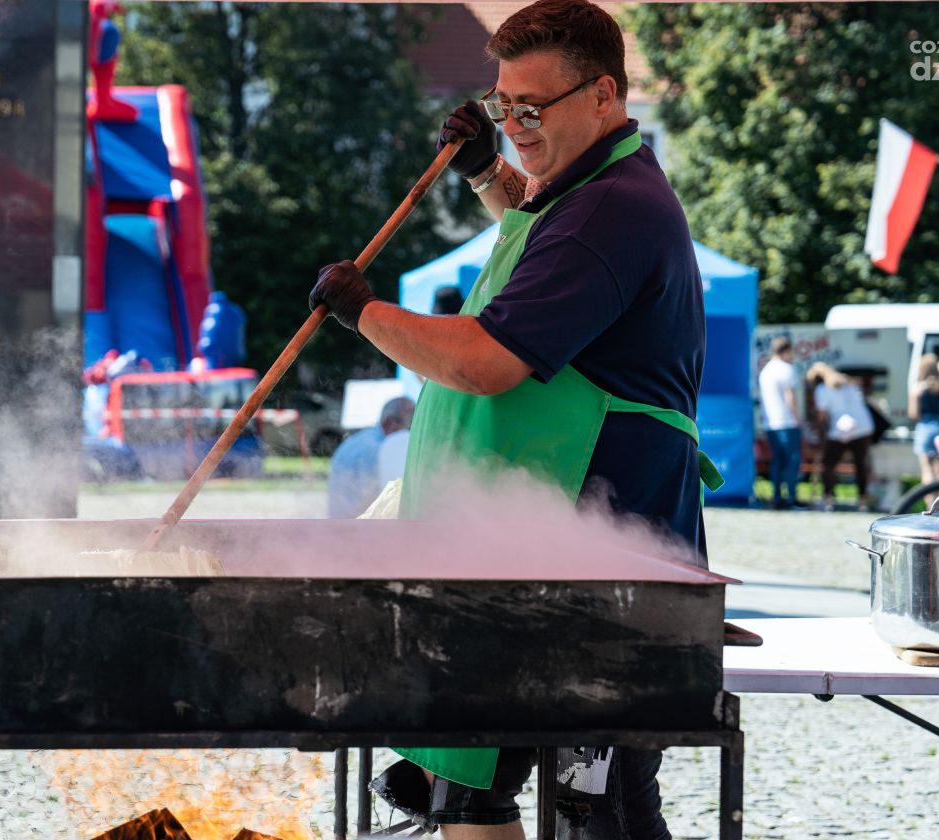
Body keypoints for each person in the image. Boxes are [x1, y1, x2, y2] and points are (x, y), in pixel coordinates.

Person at [307, 2, 718, 838]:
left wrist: (365, 313)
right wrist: (487, 171)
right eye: (504, 105)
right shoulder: (582, 195)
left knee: (596, 801)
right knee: (474, 792)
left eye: (534, 107)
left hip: (603, 543)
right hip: (522, 549)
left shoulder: (613, 209)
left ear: (603, 95)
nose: (518, 123)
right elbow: (539, 248)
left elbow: (484, 362)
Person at [326, 397, 416, 518]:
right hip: (354, 525)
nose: (410, 434)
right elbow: (374, 497)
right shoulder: (376, 449)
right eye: (410, 427)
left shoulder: (363, 439)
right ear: (389, 423)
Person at [808, 363, 875, 511]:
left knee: (829, 464)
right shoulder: (848, 382)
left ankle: (827, 498)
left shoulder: (822, 389)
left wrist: (816, 426)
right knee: (860, 465)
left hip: (841, 428)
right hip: (863, 426)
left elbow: (822, 414)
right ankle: (862, 500)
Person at [758, 336, 803, 509]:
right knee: (792, 460)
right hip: (787, 422)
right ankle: (791, 497)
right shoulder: (787, 369)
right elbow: (790, 396)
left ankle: (776, 496)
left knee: (776, 461)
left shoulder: (765, 371)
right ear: (786, 351)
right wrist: (797, 418)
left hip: (771, 422)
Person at [908, 353, 939, 486]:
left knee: (927, 469)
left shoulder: (917, 389)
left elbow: (914, 414)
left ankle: (930, 502)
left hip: (925, 428)